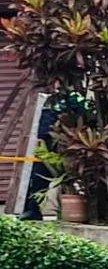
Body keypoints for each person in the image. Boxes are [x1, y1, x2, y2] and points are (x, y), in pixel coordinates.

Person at [20, 92, 87, 221]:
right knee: (38, 176)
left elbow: (79, 114)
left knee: (72, 177)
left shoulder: (74, 95)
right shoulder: (45, 97)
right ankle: (33, 209)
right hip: (47, 141)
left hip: (70, 141)